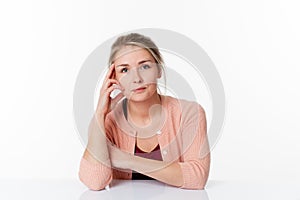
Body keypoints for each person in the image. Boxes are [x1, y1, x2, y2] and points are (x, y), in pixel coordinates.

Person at [78, 33, 210, 190]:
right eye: (124, 70)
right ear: (114, 78)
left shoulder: (190, 113)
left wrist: (126, 160)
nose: (137, 78)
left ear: (158, 70)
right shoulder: (108, 121)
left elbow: (198, 178)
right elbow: (95, 182)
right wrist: (100, 114)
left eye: (145, 66)